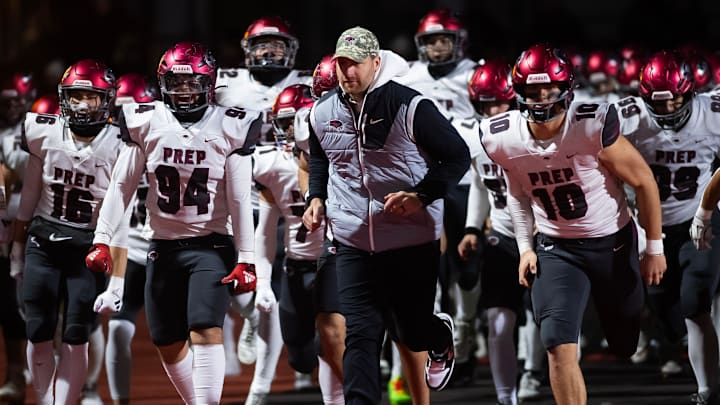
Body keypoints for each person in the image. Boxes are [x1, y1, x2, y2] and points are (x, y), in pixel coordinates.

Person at [479, 43, 666, 405]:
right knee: (557, 344)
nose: (541, 99)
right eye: (533, 91)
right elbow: (517, 193)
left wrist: (653, 247)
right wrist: (525, 248)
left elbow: (643, 181)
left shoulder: (590, 124)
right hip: (557, 247)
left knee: (625, 341)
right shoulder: (501, 135)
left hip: (612, 242)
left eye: (549, 89)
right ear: (518, 92)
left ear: (566, 89)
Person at [85, 41, 260, 405]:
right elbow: (121, 187)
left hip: (210, 244)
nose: (184, 91)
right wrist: (102, 238)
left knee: (204, 326)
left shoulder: (231, 124)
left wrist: (246, 256)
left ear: (209, 83)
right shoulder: (145, 121)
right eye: (176, 83)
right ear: (163, 83)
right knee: (166, 339)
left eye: (192, 82)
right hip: (162, 246)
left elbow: (242, 198)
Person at [303, 26, 469, 403]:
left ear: (376, 63)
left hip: (410, 238)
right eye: (342, 64)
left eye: (356, 64)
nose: (348, 72)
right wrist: (316, 197)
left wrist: (421, 196)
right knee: (360, 333)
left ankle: (438, 334)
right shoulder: (321, 110)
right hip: (352, 239)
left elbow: (457, 155)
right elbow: (319, 158)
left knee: (411, 332)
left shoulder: (410, 105)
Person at [10, 59, 129, 405]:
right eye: (75, 96)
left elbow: (119, 219)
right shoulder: (43, 131)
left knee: (77, 334)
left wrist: (118, 279)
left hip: (88, 247)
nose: (81, 104)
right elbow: (29, 197)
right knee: (38, 331)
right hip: (43, 241)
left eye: (90, 97)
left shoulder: (121, 144)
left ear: (106, 101)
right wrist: (17, 254)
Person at [616, 50, 720, 404]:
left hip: (698, 219)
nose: (666, 110)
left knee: (696, 302)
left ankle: (708, 390)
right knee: (667, 313)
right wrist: (641, 231)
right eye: (657, 103)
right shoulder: (627, 119)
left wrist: (708, 211)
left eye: (674, 99)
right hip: (652, 226)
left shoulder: (712, 114)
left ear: (690, 92)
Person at [214, 15, 312, 381]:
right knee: (234, 269)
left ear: (292, 51)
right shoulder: (226, 85)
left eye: (278, 45)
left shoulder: (308, 83)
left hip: (294, 188)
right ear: (247, 51)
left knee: (293, 271)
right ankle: (253, 317)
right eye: (261, 45)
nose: (269, 52)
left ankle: (298, 352)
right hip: (243, 192)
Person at [393, 8, 480, 390]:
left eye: (444, 39)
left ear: (458, 42)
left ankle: (464, 325)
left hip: (466, 181)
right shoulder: (409, 76)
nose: (438, 47)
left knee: (467, 267)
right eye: (431, 41)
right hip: (424, 181)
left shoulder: (474, 75)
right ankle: (440, 336)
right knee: (430, 267)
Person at [246, 83, 327, 404]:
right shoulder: (271, 165)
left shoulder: (337, 160)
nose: (292, 131)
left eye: (299, 122)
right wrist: (264, 283)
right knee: (301, 358)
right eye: (285, 123)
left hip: (334, 263)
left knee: (337, 342)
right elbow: (265, 231)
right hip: (295, 266)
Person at [455, 59, 529, 405]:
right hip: (503, 233)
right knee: (499, 319)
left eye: (499, 102)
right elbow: (481, 186)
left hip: (546, 236)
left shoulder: (532, 130)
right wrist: (472, 227)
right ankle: (505, 397)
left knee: (550, 322)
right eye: (485, 104)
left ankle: (536, 373)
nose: (493, 110)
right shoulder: (475, 136)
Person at [103, 72, 158, 405]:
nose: (125, 118)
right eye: (119, 109)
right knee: (117, 327)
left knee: (187, 331)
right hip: (132, 248)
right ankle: (120, 400)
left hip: (169, 247)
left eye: (132, 109)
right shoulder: (108, 144)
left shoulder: (167, 136)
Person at [0, 71, 36, 405]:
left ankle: (34, 369)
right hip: (6, 225)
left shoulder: (39, 127)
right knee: (9, 305)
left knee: (35, 303)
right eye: (6, 102)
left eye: (17, 101)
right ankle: (15, 372)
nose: (12, 108)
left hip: (34, 224)